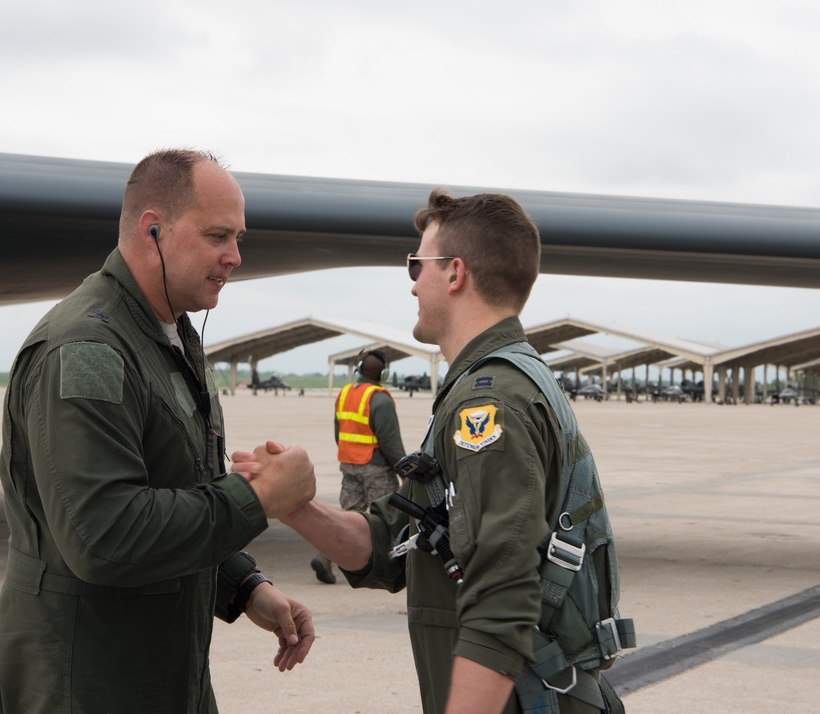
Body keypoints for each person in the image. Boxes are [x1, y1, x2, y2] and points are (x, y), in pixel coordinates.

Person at [233, 190, 627, 713]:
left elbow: (500, 603)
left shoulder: (489, 404)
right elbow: (397, 545)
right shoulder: (483, 387)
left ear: (455, 273)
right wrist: (292, 503)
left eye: (418, 264)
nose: (413, 281)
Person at [0, 149, 317, 714]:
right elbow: (104, 536)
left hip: (161, 672)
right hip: (88, 680)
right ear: (154, 230)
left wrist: (241, 585)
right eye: (218, 235)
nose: (235, 257)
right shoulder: (89, 350)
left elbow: (175, 491)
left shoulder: (167, 335)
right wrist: (258, 498)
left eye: (239, 238)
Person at [310, 349, 405, 584]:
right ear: (382, 373)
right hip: (377, 470)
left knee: (349, 517)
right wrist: (404, 471)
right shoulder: (380, 399)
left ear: (359, 369)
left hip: (349, 464)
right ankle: (388, 570)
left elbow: (338, 432)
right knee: (384, 520)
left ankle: (324, 557)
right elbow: (390, 443)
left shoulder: (344, 394)